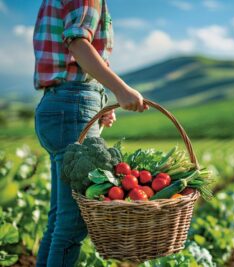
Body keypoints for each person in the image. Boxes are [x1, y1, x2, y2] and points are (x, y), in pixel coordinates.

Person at [33, 0, 148, 266]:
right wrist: (120, 89)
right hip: (72, 106)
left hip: (61, 103)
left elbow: (69, 58)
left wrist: (97, 99)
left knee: (61, 219)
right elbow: (77, 42)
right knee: (72, 224)